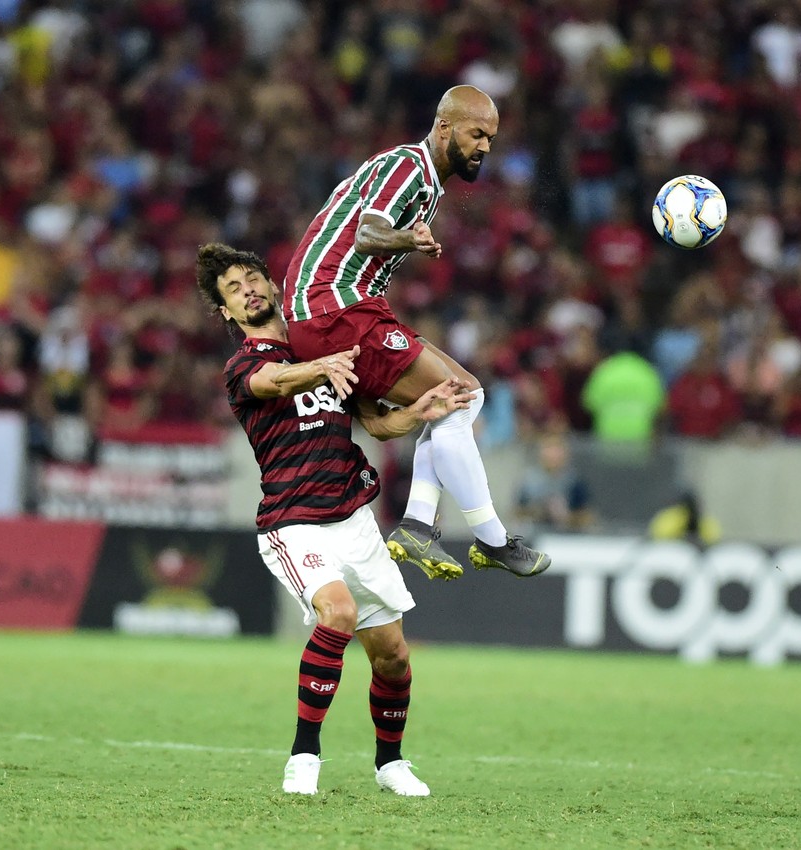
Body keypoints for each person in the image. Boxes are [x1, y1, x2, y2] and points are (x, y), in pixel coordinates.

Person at [196, 242, 476, 797]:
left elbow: (375, 424)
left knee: (393, 655)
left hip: (352, 516)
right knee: (338, 612)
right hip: (292, 521)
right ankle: (303, 755)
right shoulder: (245, 366)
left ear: (275, 287)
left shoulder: (323, 347)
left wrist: (418, 413)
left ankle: (390, 763)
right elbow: (274, 383)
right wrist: (318, 365)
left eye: (253, 278)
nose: (248, 289)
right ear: (227, 312)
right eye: (233, 288)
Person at [282, 85, 550, 581]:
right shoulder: (408, 166)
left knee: (464, 396)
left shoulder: (428, 186)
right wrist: (408, 237)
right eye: (476, 134)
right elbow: (368, 232)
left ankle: (416, 525)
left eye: (490, 138)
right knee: (463, 399)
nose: (485, 147)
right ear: (444, 127)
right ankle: (490, 539)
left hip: (341, 311)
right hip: (333, 308)